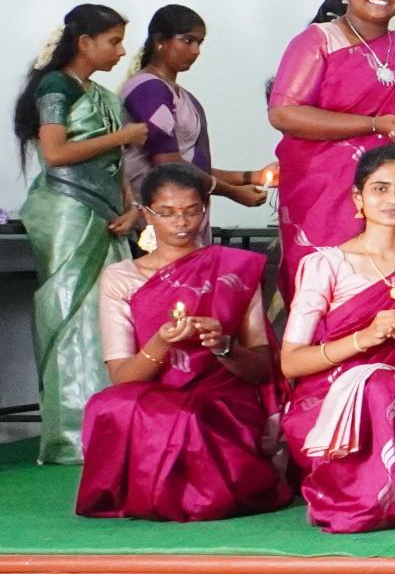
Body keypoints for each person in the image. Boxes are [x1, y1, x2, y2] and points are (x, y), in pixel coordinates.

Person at [75, 162, 288, 521]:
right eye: (167, 212)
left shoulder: (234, 269)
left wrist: (222, 345)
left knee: (188, 416)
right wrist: (160, 342)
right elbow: (122, 378)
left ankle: (181, 496)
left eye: (192, 211)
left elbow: (261, 369)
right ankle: (154, 495)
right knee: (109, 405)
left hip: (220, 397)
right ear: (146, 214)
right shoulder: (121, 277)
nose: (182, 222)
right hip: (154, 392)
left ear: (205, 210)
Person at [276, 146, 395, 533]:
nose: (393, 199)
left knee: (386, 383)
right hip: (333, 404)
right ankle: (375, 494)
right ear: (358, 198)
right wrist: (365, 339)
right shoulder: (326, 264)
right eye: (380, 188)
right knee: (376, 382)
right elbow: (291, 362)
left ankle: (387, 493)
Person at [14, 3, 144, 464]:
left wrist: (132, 208)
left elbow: (116, 166)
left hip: (108, 215)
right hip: (67, 213)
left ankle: (111, 426)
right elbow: (55, 153)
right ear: (84, 43)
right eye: (113, 41)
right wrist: (123, 136)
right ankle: (72, 434)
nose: (121, 51)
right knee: (71, 315)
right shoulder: (55, 86)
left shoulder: (103, 95)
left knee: (108, 316)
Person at [268, 0, 395, 297]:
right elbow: (284, 113)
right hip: (325, 192)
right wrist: (374, 125)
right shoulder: (318, 41)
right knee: (327, 288)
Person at [119, 5, 269, 210]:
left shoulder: (179, 94)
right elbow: (169, 166)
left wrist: (252, 177)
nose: (196, 51)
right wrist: (233, 192)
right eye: (188, 41)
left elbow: (191, 167)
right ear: (159, 41)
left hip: (181, 211)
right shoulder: (149, 89)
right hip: (157, 214)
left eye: (200, 42)